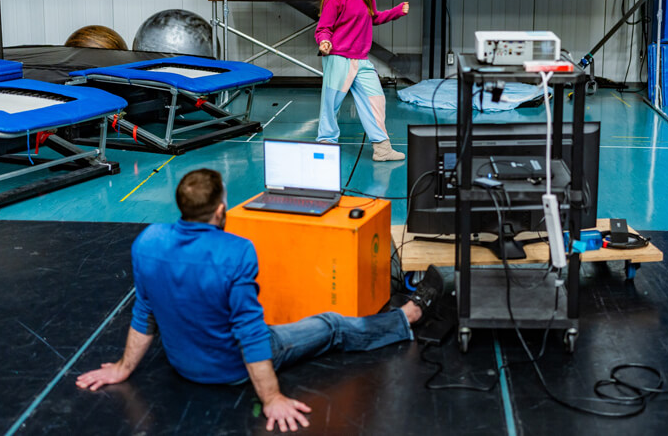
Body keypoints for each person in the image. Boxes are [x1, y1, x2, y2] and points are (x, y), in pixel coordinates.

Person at [77, 169, 443, 432]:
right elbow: (251, 334)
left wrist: (124, 368)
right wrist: (271, 400)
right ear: (220, 210)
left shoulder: (148, 241)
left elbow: (145, 311)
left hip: (183, 364)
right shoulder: (236, 251)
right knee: (331, 324)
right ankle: (407, 317)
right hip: (232, 368)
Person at [315, 0, 409, 161]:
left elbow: (373, 18)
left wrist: (397, 11)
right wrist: (324, 41)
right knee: (330, 104)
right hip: (338, 57)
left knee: (376, 99)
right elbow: (324, 27)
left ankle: (382, 149)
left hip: (361, 58)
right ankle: (326, 144)